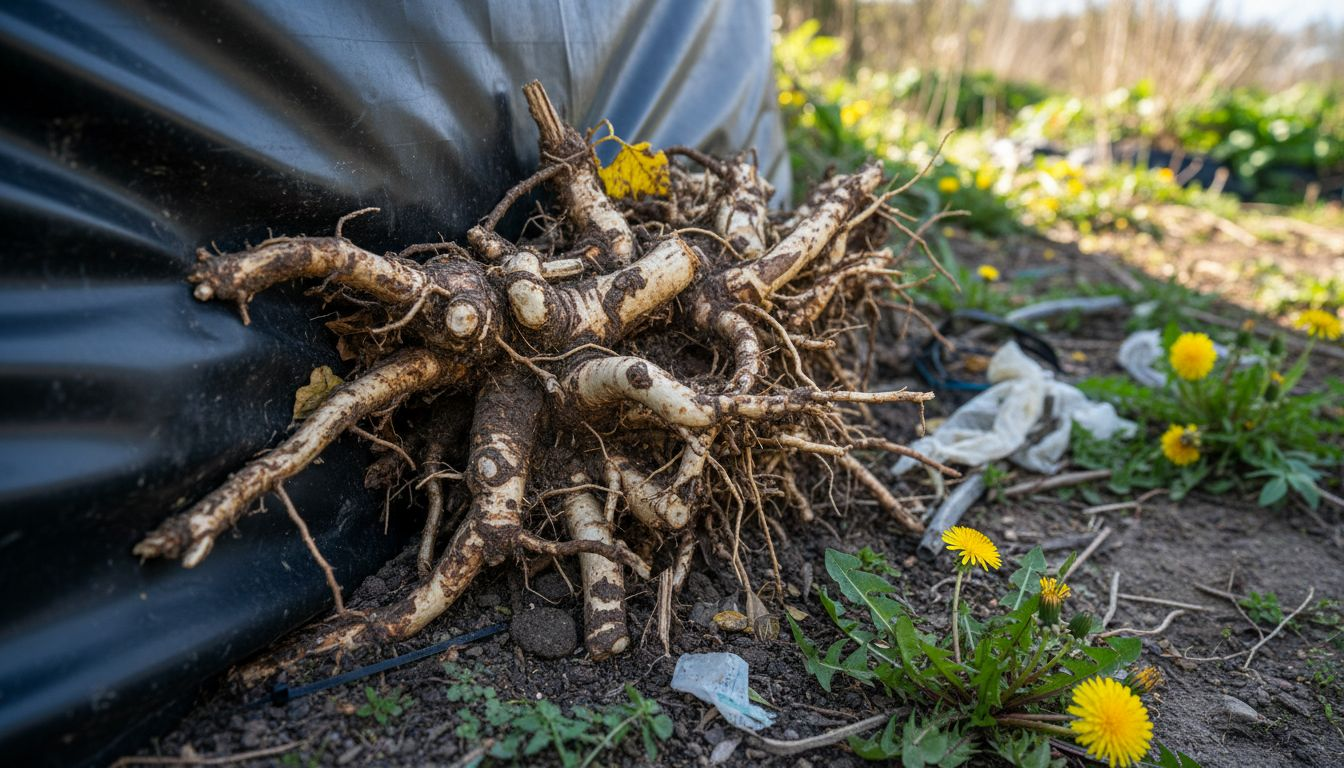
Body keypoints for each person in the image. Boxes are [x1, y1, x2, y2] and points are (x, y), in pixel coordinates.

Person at [0, 2, 786, 764]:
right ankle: (219, 497)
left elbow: (646, 312)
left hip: (583, 300)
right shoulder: (505, 315)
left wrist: (610, 273)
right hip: (556, 300)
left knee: (388, 417)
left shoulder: (607, 295)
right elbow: (344, 286)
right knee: (340, 416)